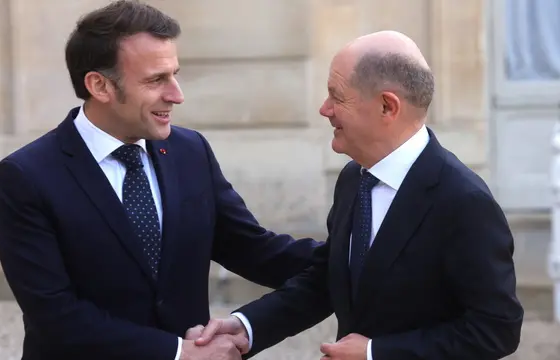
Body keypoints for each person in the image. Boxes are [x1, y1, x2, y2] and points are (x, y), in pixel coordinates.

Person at [0, 1, 321, 359]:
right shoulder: (26, 176)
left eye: (175, 74)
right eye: (156, 80)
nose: (176, 94)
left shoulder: (190, 151)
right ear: (100, 85)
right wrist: (179, 352)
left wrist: (359, 257)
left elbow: (257, 252)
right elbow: (55, 316)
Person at [190, 31, 524, 360]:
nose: (325, 109)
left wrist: (375, 353)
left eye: (337, 96)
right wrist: (247, 327)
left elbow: (496, 329)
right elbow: (328, 280)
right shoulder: (354, 178)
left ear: (386, 106)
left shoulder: (463, 201)